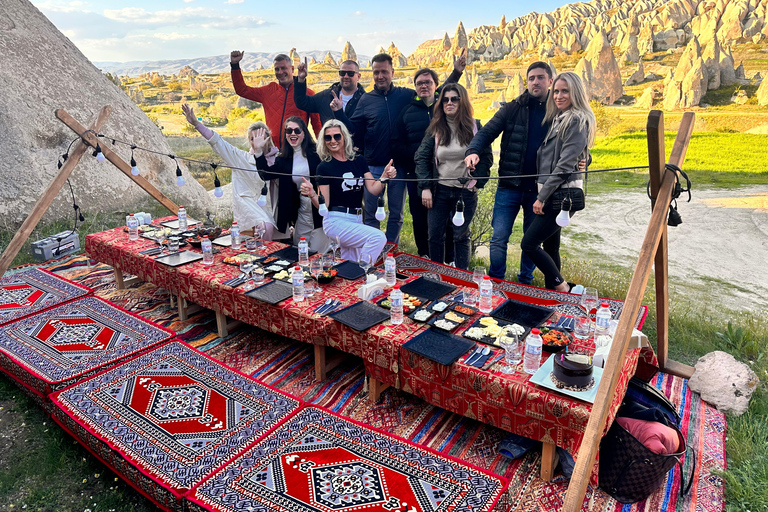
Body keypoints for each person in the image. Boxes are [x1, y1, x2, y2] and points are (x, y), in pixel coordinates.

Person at [346, 50, 466, 244]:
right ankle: (372, 248)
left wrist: (456, 73)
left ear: (392, 72)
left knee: (396, 214)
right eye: (376, 72)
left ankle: (390, 249)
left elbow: (437, 91)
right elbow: (353, 128)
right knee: (370, 214)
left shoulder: (405, 95)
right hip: (373, 166)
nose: (380, 76)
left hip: (398, 167)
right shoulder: (366, 100)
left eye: (384, 71)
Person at [463, 61, 554, 284]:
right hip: (508, 187)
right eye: (531, 78)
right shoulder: (512, 108)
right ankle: (496, 282)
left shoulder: (559, 110)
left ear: (550, 81)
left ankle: (525, 282)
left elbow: (577, 144)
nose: (535, 81)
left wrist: (584, 160)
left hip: (540, 190)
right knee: (498, 238)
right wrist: (473, 151)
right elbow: (486, 133)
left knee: (531, 241)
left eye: (540, 77)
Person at [521, 71, 595, 292]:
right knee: (550, 245)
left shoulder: (576, 120)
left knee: (529, 243)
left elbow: (564, 164)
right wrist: (585, 158)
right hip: (553, 191)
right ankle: (553, 296)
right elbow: (574, 153)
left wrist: (541, 198)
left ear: (576, 93)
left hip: (561, 195)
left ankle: (561, 287)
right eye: (556, 91)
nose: (559, 96)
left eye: (565, 91)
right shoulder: (560, 118)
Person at [415, 84, 492, 270]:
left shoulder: (475, 127)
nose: (449, 103)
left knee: (461, 235)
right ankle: (437, 273)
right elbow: (421, 157)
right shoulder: (435, 129)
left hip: (465, 192)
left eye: (454, 99)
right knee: (434, 235)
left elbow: (487, 158)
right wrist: (425, 187)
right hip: (439, 190)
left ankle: (462, 277)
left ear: (462, 101)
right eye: (445, 100)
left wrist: (477, 182)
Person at [303, 120, 394, 265]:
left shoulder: (359, 160)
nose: (333, 141)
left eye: (337, 136)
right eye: (328, 137)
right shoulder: (324, 167)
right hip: (335, 220)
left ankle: (351, 281)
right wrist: (312, 194)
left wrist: (384, 176)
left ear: (344, 137)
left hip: (356, 218)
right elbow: (323, 205)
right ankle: (363, 271)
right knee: (378, 237)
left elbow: (373, 188)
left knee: (349, 262)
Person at [181, 104, 276, 240]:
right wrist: (197, 124)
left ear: (268, 138)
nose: (257, 142)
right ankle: (264, 257)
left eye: (260, 137)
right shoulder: (241, 158)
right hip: (249, 204)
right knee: (265, 226)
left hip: (274, 207)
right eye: (253, 139)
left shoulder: (278, 159)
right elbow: (218, 143)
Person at [392, 67, 455, 262]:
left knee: (447, 219)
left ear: (436, 86)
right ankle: (424, 257)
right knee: (419, 218)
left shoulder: (444, 108)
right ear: (415, 87)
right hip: (416, 175)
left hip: (445, 174)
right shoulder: (406, 112)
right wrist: (420, 154)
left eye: (428, 82)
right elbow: (396, 145)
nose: (424, 86)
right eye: (420, 83)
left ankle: (449, 260)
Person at [251, 117, 330, 253]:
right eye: (289, 130)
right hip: (301, 213)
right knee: (300, 252)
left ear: (304, 133)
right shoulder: (283, 159)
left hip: (319, 210)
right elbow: (266, 175)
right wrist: (258, 152)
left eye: (297, 130)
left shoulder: (317, 154)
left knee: (318, 253)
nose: (293, 133)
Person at [230, 51, 322, 148]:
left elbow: (317, 125)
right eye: (277, 69)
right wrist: (235, 65)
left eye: (283, 68)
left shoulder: (307, 93)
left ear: (292, 69)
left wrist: (322, 149)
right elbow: (242, 90)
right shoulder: (268, 91)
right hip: (272, 150)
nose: (280, 72)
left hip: (297, 149)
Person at [294, 58, 365, 125]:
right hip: (329, 138)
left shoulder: (366, 100)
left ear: (358, 76)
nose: (346, 76)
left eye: (350, 73)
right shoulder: (326, 96)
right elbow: (302, 103)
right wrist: (301, 79)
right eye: (342, 73)